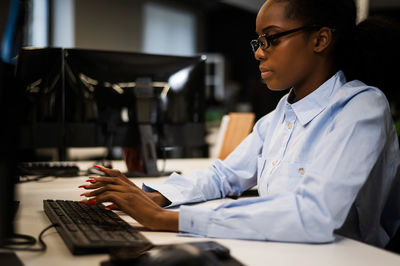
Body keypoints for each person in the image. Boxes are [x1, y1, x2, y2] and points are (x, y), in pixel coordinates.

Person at [78, 0, 400, 248]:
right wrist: (156, 195)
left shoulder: (360, 107)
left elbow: (313, 216)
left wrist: (167, 219)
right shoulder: (278, 117)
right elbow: (224, 176)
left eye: (271, 38)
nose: (259, 53)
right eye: (258, 41)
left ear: (320, 40)